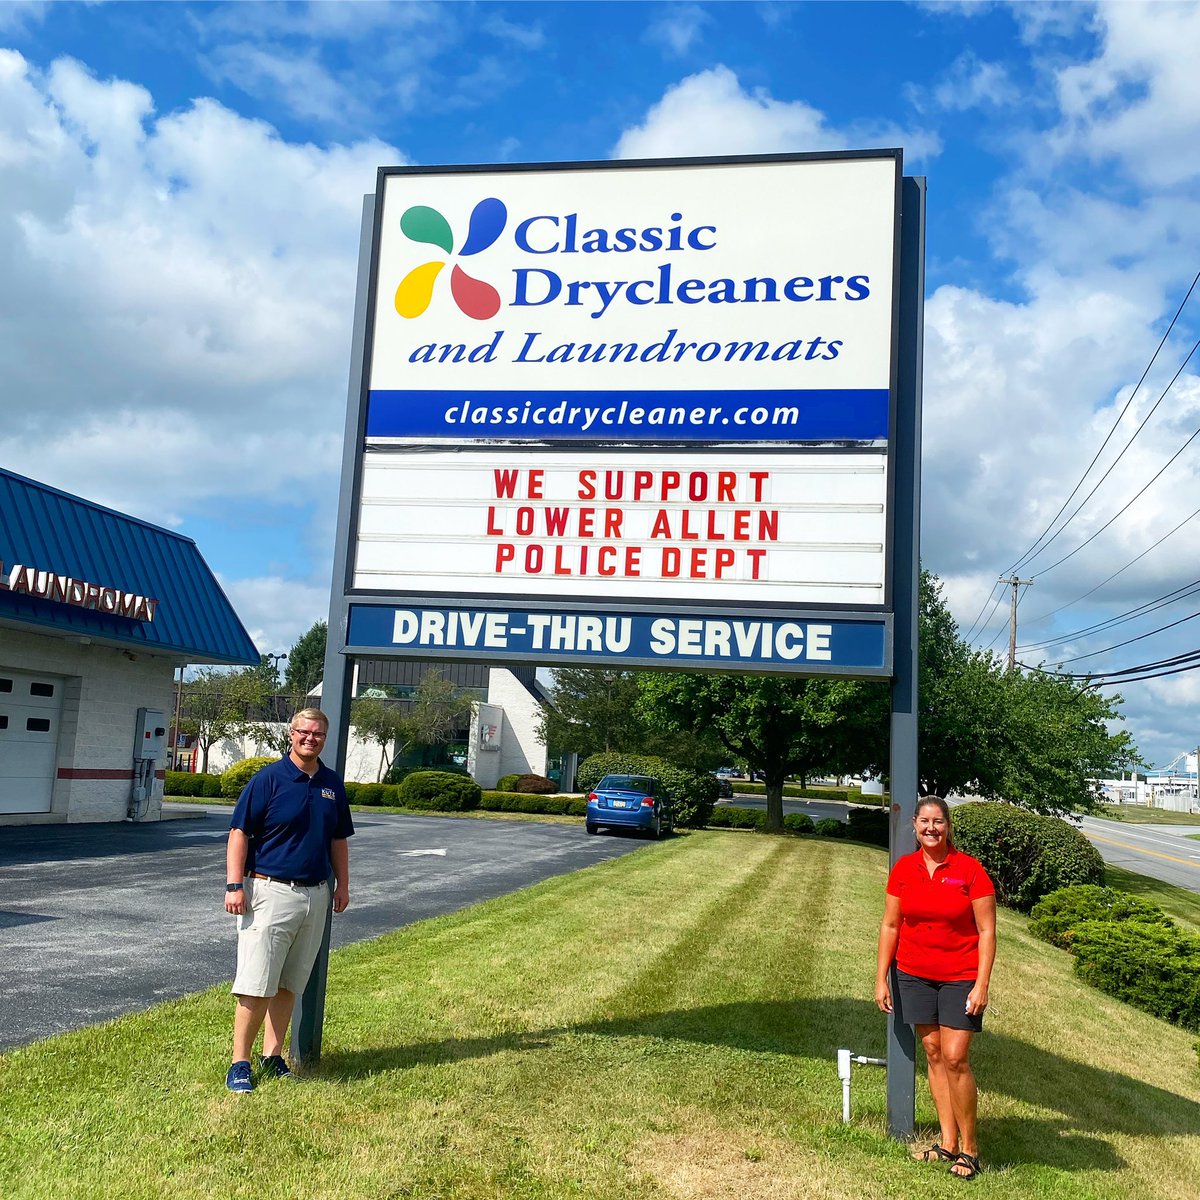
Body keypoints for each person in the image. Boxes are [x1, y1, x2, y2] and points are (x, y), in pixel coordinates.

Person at [223, 708, 354, 1092]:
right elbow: (239, 833)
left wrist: (342, 885)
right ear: (291, 734)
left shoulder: (331, 784)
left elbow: (338, 839)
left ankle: (274, 1056)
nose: (310, 738)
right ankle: (239, 1064)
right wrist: (235, 886)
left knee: (289, 983)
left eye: (318, 734)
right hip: (270, 892)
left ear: (324, 739)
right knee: (257, 981)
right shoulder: (269, 779)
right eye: (304, 732)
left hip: (315, 894)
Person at [875, 796, 996, 1181]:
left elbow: (987, 931)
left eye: (938, 822)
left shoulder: (970, 870)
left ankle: (970, 1149)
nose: (931, 828)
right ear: (913, 824)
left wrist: (981, 984)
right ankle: (947, 1143)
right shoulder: (904, 869)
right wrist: (881, 977)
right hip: (913, 973)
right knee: (932, 1052)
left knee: (956, 1056)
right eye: (924, 821)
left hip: (960, 974)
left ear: (948, 826)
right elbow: (891, 925)